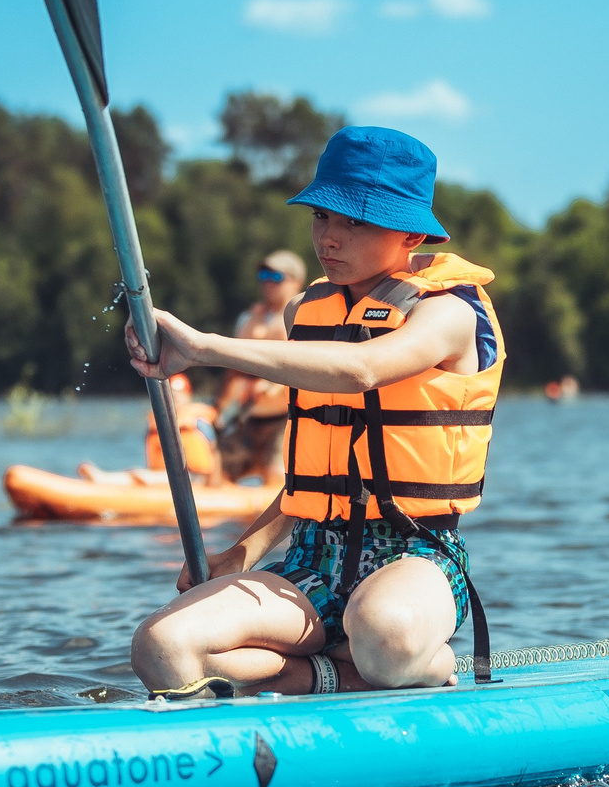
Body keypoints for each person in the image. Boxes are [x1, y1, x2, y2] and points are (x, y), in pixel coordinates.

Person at [125, 127, 502, 697]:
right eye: (323, 216)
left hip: (413, 557)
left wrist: (202, 348)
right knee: (163, 646)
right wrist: (245, 550)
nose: (330, 237)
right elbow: (318, 476)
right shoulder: (306, 311)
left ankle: (426, 666)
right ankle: (332, 680)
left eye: (356, 221)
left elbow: (364, 370)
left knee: (383, 632)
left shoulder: (447, 314)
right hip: (312, 558)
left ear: (411, 232)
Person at [215, 248, 305, 483]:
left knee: (275, 476)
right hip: (248, 416)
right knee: (217, 474)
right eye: (263, 277)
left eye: (276, 277)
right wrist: (219, 408)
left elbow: (303, 367)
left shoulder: (305, 318)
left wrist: (272, 385)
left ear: (296, 282)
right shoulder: (248, 319)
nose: (268, 284)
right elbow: (234, 371)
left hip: (287, 418)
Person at [78, 372, 222, 486]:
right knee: (142, 475)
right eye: (172, 394)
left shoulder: (199, 421)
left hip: (195, 479)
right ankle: (104, 479)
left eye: (179, 395)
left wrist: (214, 484)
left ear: (188, 396)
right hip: (164, 476)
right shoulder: (157, 421)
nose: (176, 398)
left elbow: (214, 450)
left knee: (142, 475)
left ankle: (103, 479)